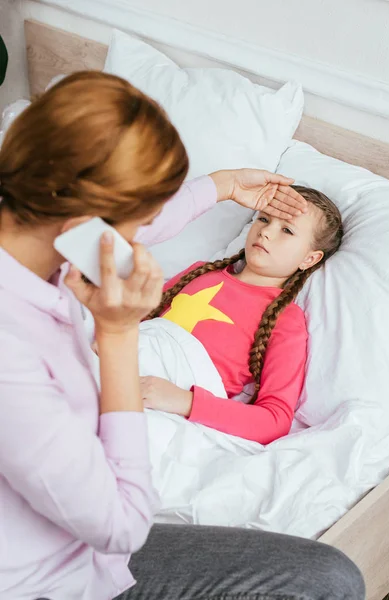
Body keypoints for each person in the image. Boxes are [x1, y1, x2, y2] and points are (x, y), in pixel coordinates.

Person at [0, 71, 364, 600]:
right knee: (327, 581)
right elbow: (121, 525)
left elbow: (273, 414)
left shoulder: (39, 239)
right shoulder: (16, 356)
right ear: (83, 212)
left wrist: (223, 185)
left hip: (77, 541)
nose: (136, 237)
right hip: (52, 573)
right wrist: (121, 336)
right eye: (134, 217)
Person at [140, 186, 343, 445]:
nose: (266, 232)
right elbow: (139, 320)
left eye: (287, 230)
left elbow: (274, 420)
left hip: (165, 395)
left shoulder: (285, 320)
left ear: (309, 259)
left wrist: (184, 400)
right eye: (264, 218)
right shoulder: (200, 272)